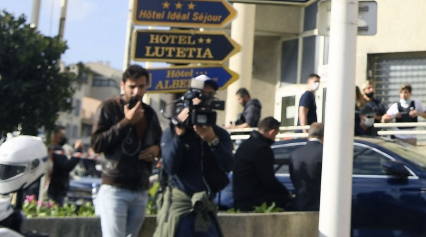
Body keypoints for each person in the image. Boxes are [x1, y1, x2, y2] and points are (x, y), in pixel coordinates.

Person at [91, 65, 162, 237]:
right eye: (132, 86)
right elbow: (97, 144)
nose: (137, 91)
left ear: (147, 86)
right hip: (115, 187)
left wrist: (157, 149)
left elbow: (161, 142)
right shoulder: (108, 108)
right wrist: (126, 122)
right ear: (123, 85)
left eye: (141, 86)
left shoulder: (150, 113)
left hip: (140, 188)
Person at [156, 89, 235, 237]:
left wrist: (213, 141)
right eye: (200, 95)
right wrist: (179, 136)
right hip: (181, 208)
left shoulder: (219, 134)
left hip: (205, 208)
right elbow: (170, 167)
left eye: (210, 96)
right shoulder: (174, 130)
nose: (205, 100)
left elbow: (229, 166)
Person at [232, 117, 293, 212]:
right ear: (272, 132)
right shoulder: (262, 149)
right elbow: (268, 179)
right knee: (291, 203)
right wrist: (286, 193)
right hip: (255, 200)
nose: (275, 138)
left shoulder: (244, 145)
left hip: (240, 199)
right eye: (275, 135)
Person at [289, 123, 324, 212]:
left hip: (300, 203)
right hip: (320, 204)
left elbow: (293, 177)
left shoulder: (295, 153)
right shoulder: (326, 153)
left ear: (309, 136)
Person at [47, 126, 82, 205]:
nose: (63, 138)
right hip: (56, 189)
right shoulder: (57, 150)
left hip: (53, 188)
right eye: (61, 136)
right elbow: (67, 166)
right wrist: (78, 150)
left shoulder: (50, 149)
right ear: (54, 136)